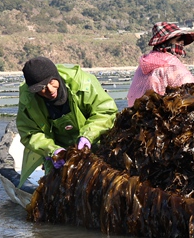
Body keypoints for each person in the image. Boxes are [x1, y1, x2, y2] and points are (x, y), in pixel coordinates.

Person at [16, 56, 118, 190]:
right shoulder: (28, 101)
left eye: (52, 82)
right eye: (41, 88)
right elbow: (29, 133)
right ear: (33, 90)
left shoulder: (83, 83)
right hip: (57, 156)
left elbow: (105, 112)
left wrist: (88, 135)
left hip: (95, 143)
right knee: (58, 191)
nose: (50, 90)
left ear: (56, 75)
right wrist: (53, 150)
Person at [126, 22, 194, 104]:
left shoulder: (145, 62)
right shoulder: (170, 63)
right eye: (178, 39)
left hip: (144, 112)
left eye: (183, 39)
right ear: (166, 41)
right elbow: (193, 88)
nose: (182, 42)